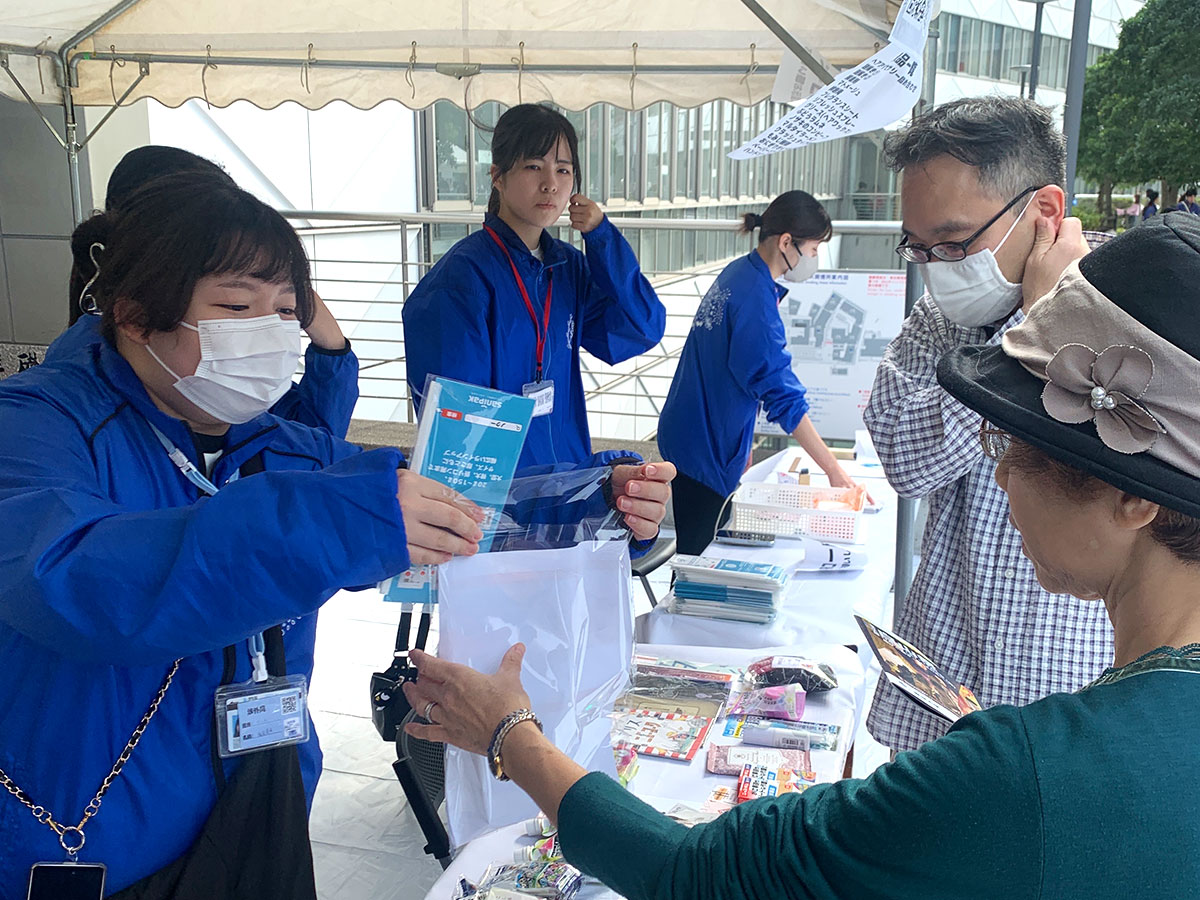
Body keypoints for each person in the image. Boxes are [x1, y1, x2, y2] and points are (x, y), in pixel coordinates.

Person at [398, 212, 1200, 898]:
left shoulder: (1016, 776)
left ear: (1136, 497)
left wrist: (512, 736)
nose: (995, 470)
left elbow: (696, 874)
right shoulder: (1077, 746)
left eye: (1014, 440)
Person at [0, 172, 671, 897]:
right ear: (134, 312)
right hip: (85, 848)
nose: (268, 334)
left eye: (286, 310)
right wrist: (339, 519)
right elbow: (73, 581)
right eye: (235, 307)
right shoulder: (36, 426)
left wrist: (599, 501)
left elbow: (449, 501)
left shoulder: (273, 443)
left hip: (259, 810)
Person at [865, 97, 1114, 752]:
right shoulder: (939, 320)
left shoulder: (1135, 312)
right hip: (943, 699)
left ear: (1046, 211)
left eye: (954, 242)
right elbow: (904, 459)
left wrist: (1053, 317)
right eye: (917, 246)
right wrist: (1029, 330)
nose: (935, 267)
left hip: (1073, 703)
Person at [403, 104, 666, 470]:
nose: (551, 184)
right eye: (533, 166)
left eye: (563, 170)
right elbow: (457, 427)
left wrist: (603, 238)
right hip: (506, 500)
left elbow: (643, 328)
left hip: (565, 483)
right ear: (497, 175)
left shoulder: (566, 267)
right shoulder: (462, 278)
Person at [61, 144, 360, 438]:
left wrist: (331, 346)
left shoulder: (216, 382)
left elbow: (309, 447)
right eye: (236, 305)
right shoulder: (67, 414)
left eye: (286, 309)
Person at [657, 191, 864, 555]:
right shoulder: (755, 300)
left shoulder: (741, 272)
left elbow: (737, 370)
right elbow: (782, 394)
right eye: (813, 250)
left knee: (699, 540)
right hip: (705, 444)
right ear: (787, 242)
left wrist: (743, 443)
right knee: (700, 557)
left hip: (693, 431)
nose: (814, 259)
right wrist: (834, 470)